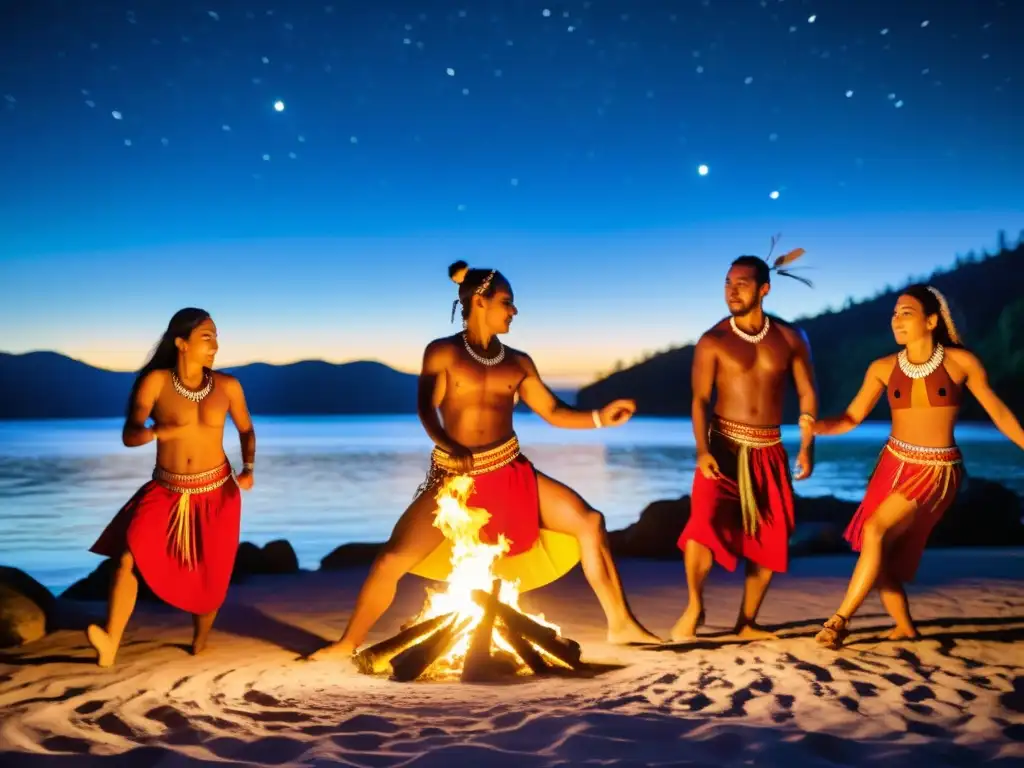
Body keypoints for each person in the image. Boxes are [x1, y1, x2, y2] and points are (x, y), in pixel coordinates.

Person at [309, 260, 661, 661]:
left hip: (510, 470)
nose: (514, 311)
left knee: (590, 521)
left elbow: (555, 412)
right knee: (391, 558)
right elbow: (427, 408)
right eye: (507, 302)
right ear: (480, 301)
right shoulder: (442, 352)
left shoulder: (519, 361)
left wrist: (601, 418)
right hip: (455, 480)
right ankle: (346, 643)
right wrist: (448, 444)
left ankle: (621, 624)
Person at [812, 285, 1024, 649]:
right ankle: (905, 627)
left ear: (931, 320)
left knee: (877, 529)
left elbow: (1000, 414)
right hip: (892, 465)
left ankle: (839, 620)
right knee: (878, 551)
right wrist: (813, 425)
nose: (896, 319)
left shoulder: (962, 363)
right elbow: (849, 419)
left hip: (937, 471)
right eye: (894, 313)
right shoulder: (882, 368)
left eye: (906, 312)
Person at [86, 308, 256, 667]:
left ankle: (200, 641)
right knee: (127, 556)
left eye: (215, 336)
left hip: (217, 492)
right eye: (206, 337)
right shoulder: (156, 383)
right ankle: (109, 641)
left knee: (210, 579)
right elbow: (130, 435)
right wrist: (156, 432)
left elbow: (245, 430)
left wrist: (249, 468)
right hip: (165, 489)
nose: (215, 344)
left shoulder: (228, 386)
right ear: (181, 343)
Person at [670, 245, 819, 642]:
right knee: (703, 524)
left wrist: (808, 444)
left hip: (770, 450)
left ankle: (747, 622)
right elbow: (700, 399)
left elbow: (807, 393)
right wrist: (702, 450)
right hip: (722, 448)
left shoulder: (790, 337)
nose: (732, 291)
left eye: (742, 284)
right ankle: (695, 606)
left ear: (764, 289)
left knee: (772, 534)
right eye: (728, 283)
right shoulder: (713, 340)